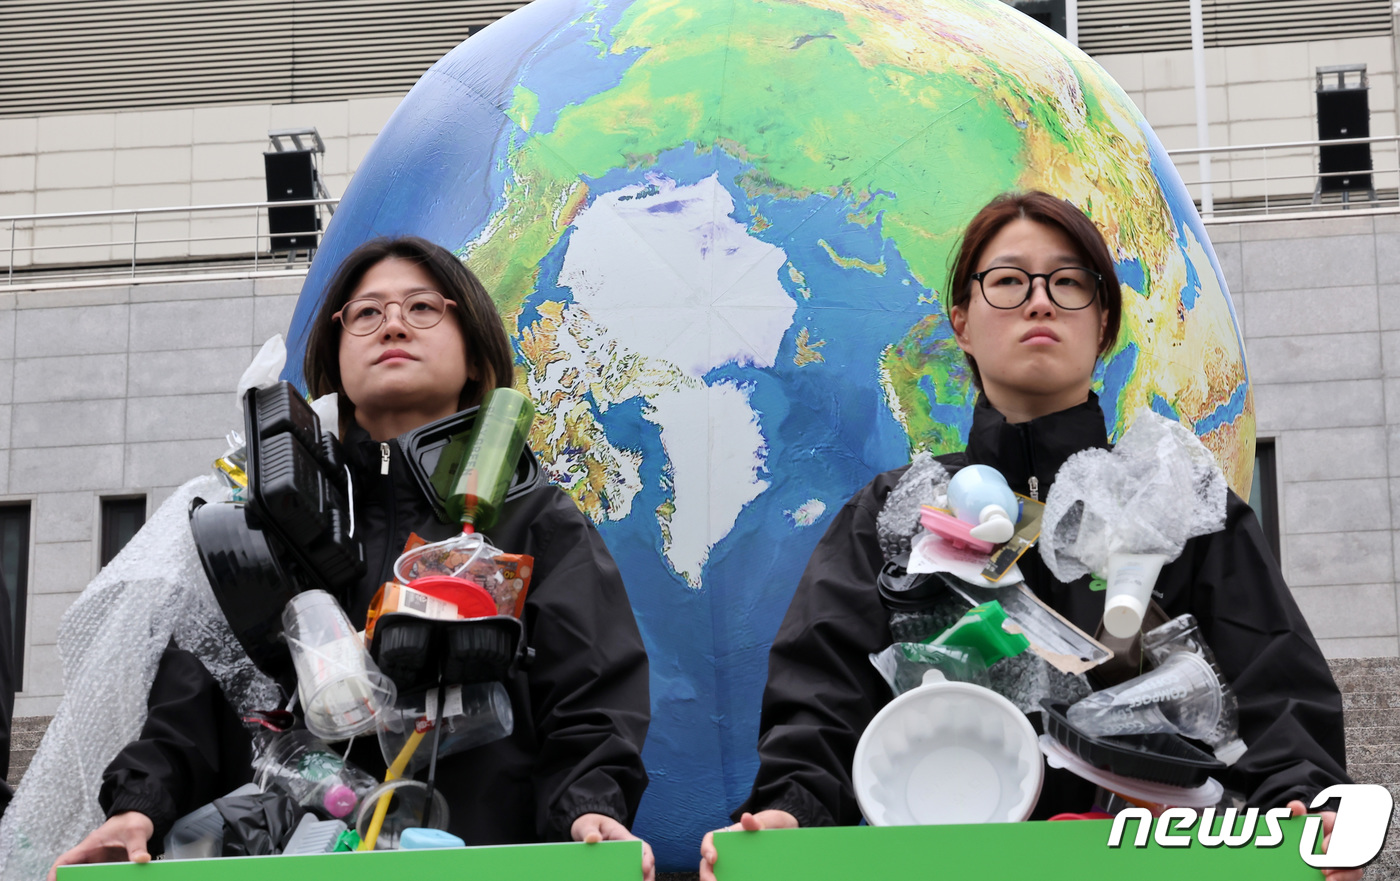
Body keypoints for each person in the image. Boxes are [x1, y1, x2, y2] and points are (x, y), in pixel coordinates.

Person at [700, 191, 1357, 880]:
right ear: (961, 322)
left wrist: (1303, 802)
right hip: (951, 866)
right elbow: (821, 699)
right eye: (1009, 281)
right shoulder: (897, 512)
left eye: (1068, 282)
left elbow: (1276, 684)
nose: (1039, 302)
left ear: (1103, 322)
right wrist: (789, 812)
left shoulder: (1178, 506)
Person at [52, 237, 654, 879]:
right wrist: (139, 806)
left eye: (422, 307)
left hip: (489, 861)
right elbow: (199, 694)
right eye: (365, 313)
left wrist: (589, 809)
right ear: (334, 357)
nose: (392, 323)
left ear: (476, 356)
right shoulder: (260, 526)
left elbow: (592, 691)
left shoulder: (535, 519)